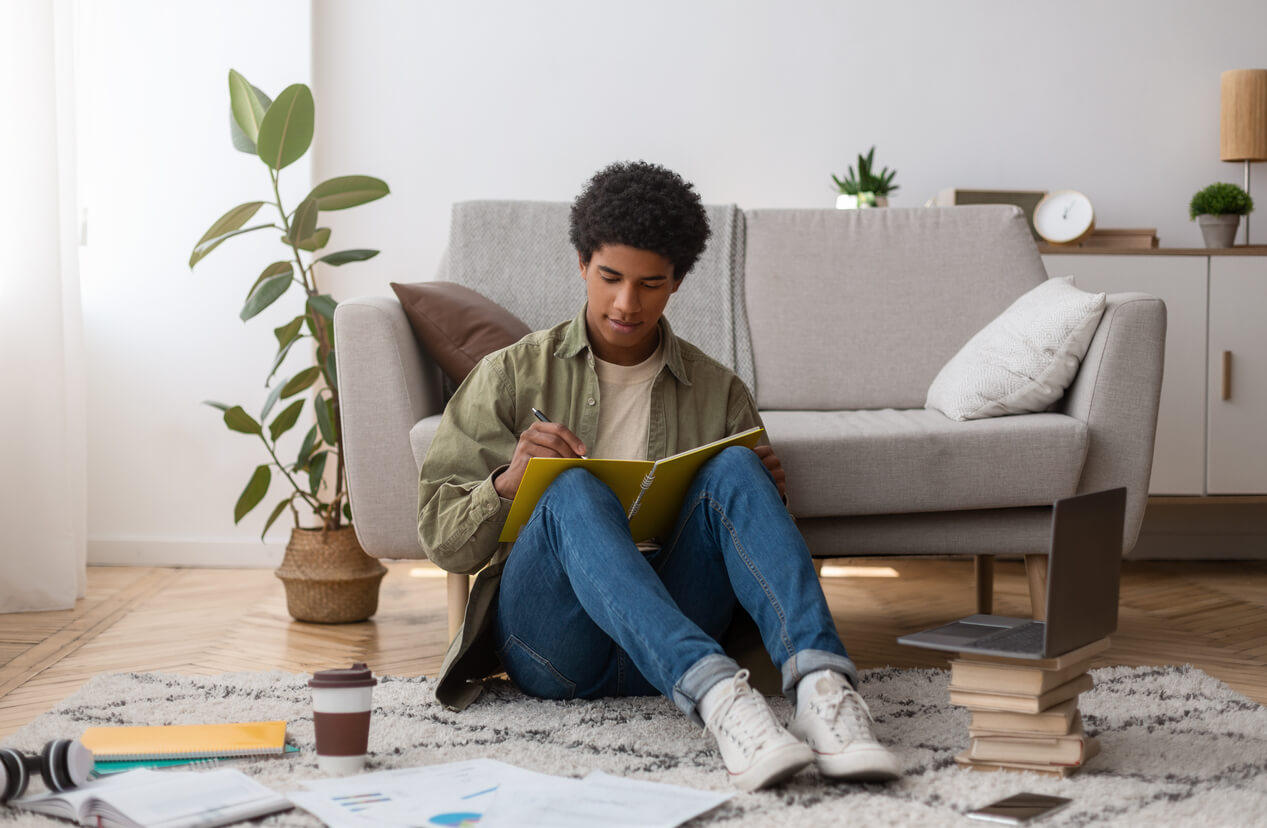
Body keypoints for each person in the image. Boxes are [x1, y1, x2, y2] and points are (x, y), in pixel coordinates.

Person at [418, 161, 901, 791]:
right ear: (582, 265)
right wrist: (510, 483)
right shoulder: (512, 374)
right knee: (570, 487)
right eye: (610, 277)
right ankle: (725, 703)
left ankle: (822, 691)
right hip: (556, 650)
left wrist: (763, 494)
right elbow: (441, 540)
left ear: (677, 282)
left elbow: (750, 550)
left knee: (734, 464)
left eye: (650, 283)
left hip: (678, 619)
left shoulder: (720, 391)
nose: (626, 303)